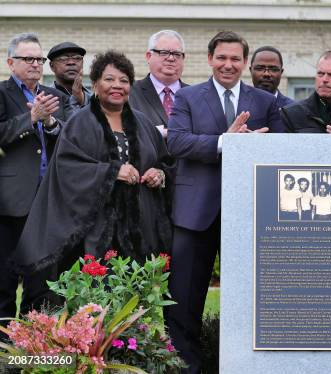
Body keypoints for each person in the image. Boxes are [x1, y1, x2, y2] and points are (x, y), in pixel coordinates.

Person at [165, 30, 285, 373]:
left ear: (244, 62)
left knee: (250, 299)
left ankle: (244, 364)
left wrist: (256, 145)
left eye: (235, 59)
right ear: (209, 60)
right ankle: (186, 365)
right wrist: (225, 142)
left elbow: (279, 150)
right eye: (221, 58)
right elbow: (177, 143)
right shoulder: (187, 97)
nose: (228, 65)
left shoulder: (264, 102)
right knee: (184, 298)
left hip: (249, 215)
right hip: (195, 213)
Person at [14, 50, 174, 273]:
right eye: (109, 79)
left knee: (139, 296)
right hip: (95, 230)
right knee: (99, 298)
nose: (117, 85)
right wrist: (112, 172)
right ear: (95, 84)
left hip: (140, 228)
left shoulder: (143, 123)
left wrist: (159, 174)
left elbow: (165, 161)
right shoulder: (80, 123)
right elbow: (66, 168)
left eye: (124, 80)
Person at [0, 33, 73, 322]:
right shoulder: (2, 94)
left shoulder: (55, 96)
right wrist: (31, 119)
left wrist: (51, 122)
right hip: (10, 203)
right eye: (27, 59)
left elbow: (71, 138)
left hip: (49, 202)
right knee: (4, 281)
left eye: (38, 59)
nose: (35, 64)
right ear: (10, 62)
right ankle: (4, 351)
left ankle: (35, 344)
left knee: (43, 281)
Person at [129, 30, 188, 138]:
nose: (171, 58)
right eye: (164, 52)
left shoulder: (196, 95)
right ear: (148, 56)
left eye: (177, 54)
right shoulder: (129, 92)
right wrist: (161, 132)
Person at [48, 41, 92, 108]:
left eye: (77, 58)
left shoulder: (96, 99)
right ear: (52, 66)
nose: (71, 62)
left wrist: (82, 100)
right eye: (63, 58)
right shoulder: (44, 98)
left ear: (82, 63)